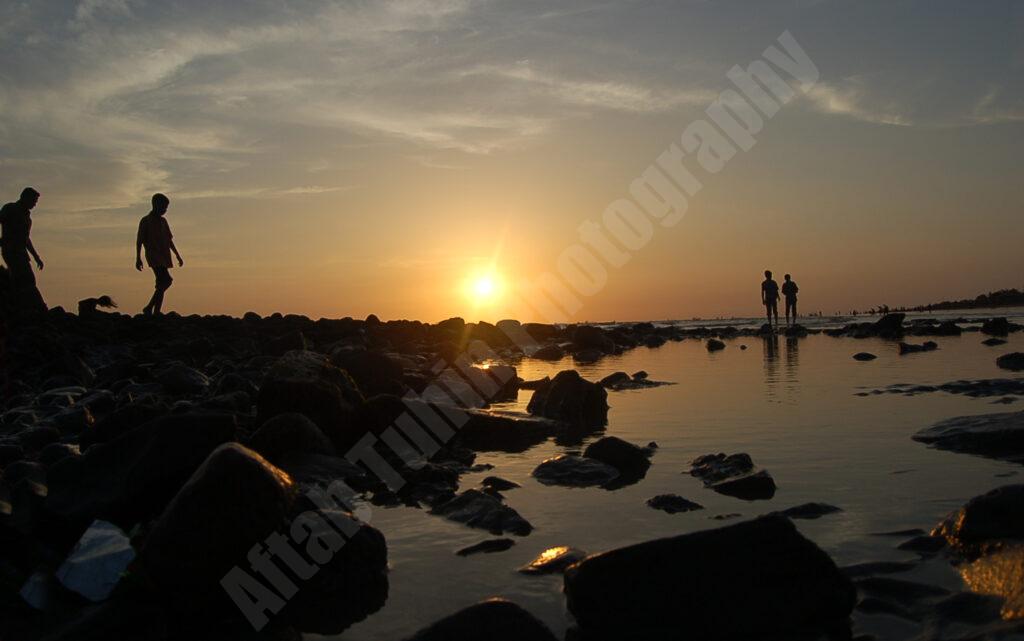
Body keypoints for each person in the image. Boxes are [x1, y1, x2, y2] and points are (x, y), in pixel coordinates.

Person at [0, 187, 47, 314]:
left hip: (21, 252)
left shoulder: (27, 218)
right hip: (10, 250)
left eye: (36, 202)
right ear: (25, 197)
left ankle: (26, 308)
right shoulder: (10, 209)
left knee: (25, 280)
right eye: (33, 201)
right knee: (24, 279)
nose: (34, 204)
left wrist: (36, 257)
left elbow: (26, 239)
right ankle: (33, 309)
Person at [136, 193, 183, 315]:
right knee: (166, 280)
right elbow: (139, 240)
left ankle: (155, 311)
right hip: (154, 255)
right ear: (155, 205)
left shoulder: (163, 221)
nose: (165, 210)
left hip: (164, 255)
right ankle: (150, 308)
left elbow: (169, 240)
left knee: (162, 283)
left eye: (166, 208)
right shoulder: (146, 221)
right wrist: (138, 258)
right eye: (163, 207)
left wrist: (177, 255)